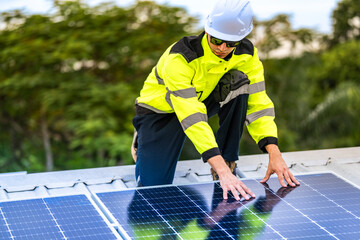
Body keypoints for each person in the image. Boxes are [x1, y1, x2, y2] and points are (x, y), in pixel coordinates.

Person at [131, 0, 300, 201]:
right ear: (207, 31)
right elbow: (192, 116)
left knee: (238, 82)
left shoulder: (247, 55)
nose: (222, 48)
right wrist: (219, 170)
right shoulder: (180, 58)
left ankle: (228, 159)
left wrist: (274, 151)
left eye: (231, 43)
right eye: (217, 40)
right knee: (153, 192)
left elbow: (259, 105)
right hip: (160, 113)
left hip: (201, 103)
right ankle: (143, 137)